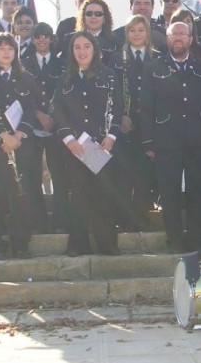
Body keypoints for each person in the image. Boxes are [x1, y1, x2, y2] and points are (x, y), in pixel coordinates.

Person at [140, 22, 201, 252]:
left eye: (182, 34)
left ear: (191, 39)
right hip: (166, 142)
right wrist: (148, 142)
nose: (178, 38)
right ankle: (174, 241)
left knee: (198, 194)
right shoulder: (154, 68)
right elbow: (146, 107)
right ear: (167, 38)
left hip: (199, 141)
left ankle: (197, 242)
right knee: (170, 194)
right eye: (174, 34)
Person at [52, 31, 124, 256]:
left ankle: (107, 244)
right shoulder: (64, 79)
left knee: (103, 195)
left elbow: (117, 108)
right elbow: (58, 112)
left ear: (94, 50)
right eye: (77, 47)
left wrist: (111, 137)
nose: (82, 52)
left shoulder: (110, 76)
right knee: (79, 196)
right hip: (76, 148)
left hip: (102, 146)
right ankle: (78, 244)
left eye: (86, 47)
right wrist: (69, 139)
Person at [0, 33, 39, 260]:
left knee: (22, 195)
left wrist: (19, 135)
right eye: (1, 48)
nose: (5, 52)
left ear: (16, 51)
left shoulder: (27, 79)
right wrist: (4, 137)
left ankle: (21, 243)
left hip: (22, 145)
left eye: (10, 48)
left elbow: (32, 109)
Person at [109, 15, 159, 232]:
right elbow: (112, 92)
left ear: (147, 33)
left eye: (141, 30)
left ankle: (141, 215)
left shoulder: (157, 58)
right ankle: (124, 217)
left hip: (149, 124)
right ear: (126, 34)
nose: (137, 34)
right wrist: (120, 116)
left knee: (144, 173)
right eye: (132, 30)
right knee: (123, 173)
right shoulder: (116, 59)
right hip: (124, 125)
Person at [20, 22, 70, 233]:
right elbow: (20, 96)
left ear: (51, 39)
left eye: (45, 36)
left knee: (59, 176)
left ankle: (60, 222)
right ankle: (37, 223)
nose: (41, 40)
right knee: (31, 177)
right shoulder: (23, 63)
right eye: (38, 36)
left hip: (57, 128)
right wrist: (38, 114)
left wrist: (54, 117)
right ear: (32, 40)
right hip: (30, 127)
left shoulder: (62, 64)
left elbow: (67, 95)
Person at [62, 0, 122, 67]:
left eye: (98, 14)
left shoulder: (115, 42)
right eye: (89, 14)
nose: (93, 17)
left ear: (105, 18)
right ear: (83, 17)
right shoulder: (69, 39)